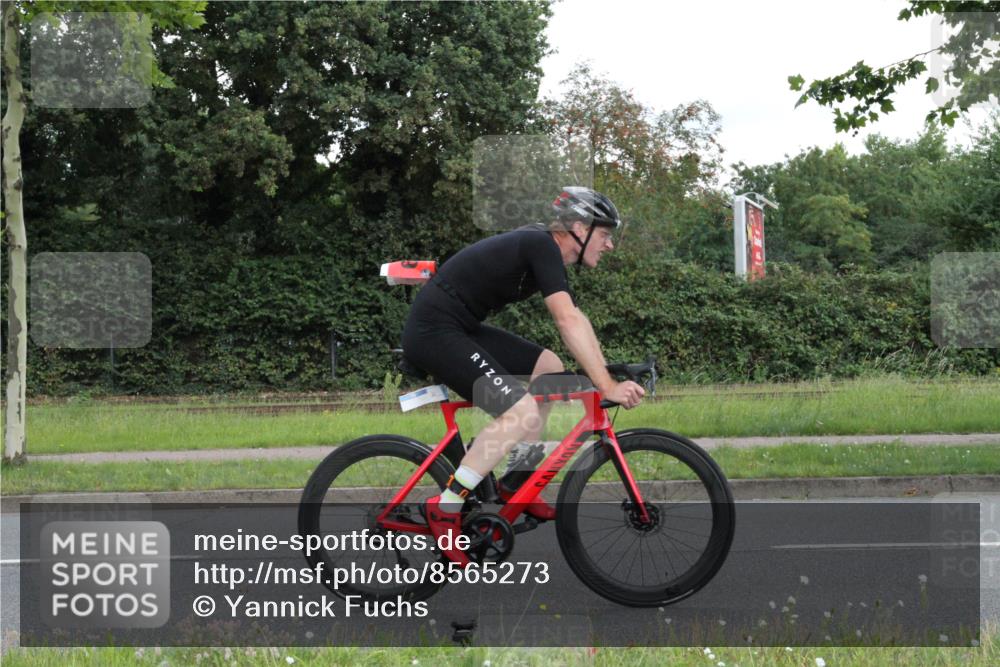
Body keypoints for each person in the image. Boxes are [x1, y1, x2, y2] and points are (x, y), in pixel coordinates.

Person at [401, 186, 645, 566]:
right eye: (605, 234)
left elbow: (577, 318)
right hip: (436, 331)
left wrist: (606, 371)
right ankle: (445, 508)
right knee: (520, 413)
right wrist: (607, 386)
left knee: (549, 368)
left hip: (459, 326)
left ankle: (517, 483)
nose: (609, 245)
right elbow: (565, 320)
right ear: (579, 228)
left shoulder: (544, 249)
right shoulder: (541, 244)